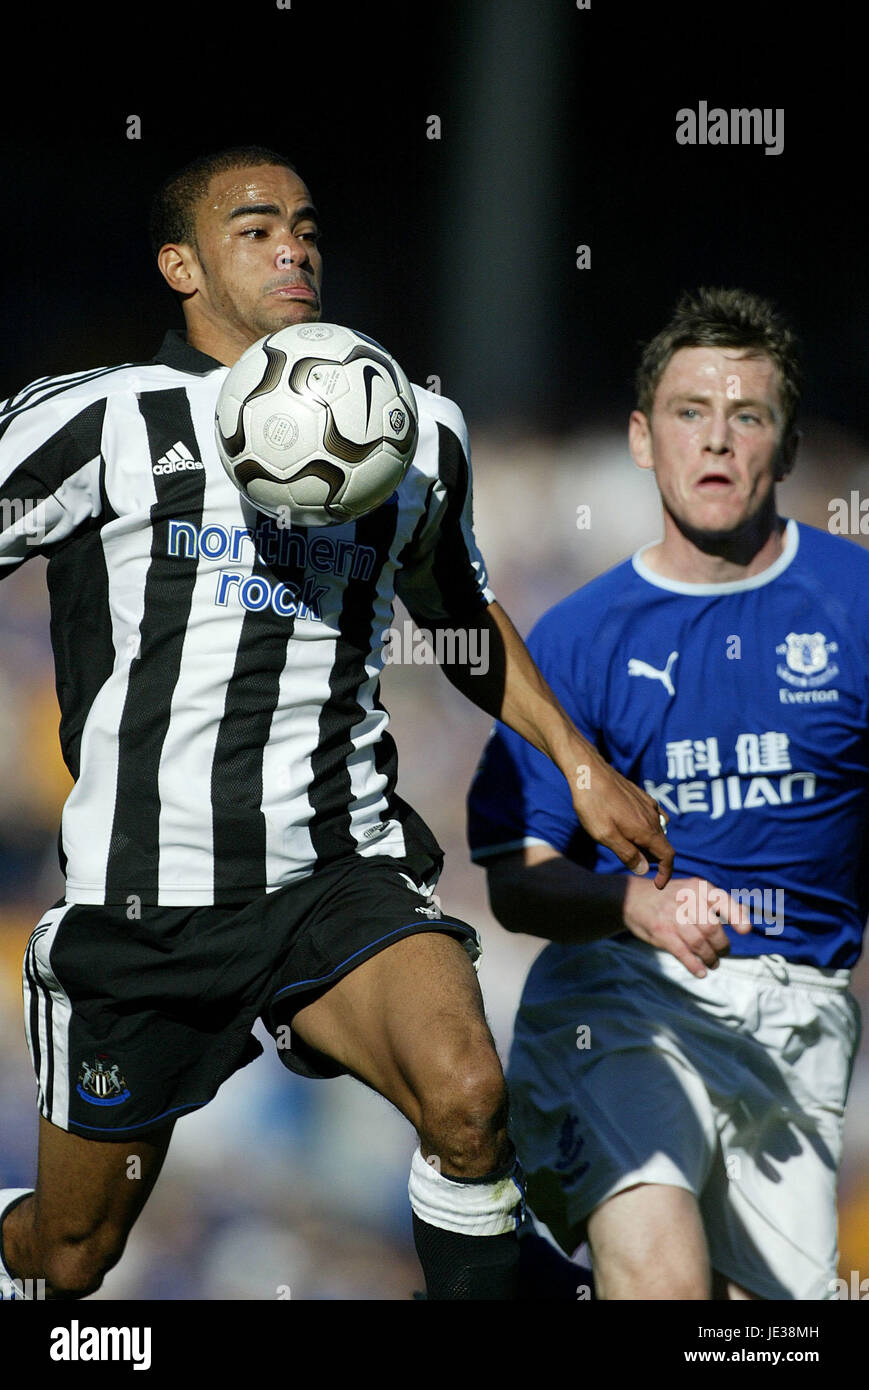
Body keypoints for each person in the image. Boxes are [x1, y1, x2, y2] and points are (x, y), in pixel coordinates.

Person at [0, 145, 671, 1302]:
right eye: (255, 228)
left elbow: (461, 619)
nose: (293, 247)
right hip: (145, 900)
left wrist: (578, 761)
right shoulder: (99, 420)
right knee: (73, 1253)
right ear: (180, 263)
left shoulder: (415, 431)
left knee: (465, 1094)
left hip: (335, 866)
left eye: (305, 226)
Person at [467, 286, 868, 1301]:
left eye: (747, 416)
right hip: (624, 1004)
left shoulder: (854, 606)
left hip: (800, 1026)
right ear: (643, 439)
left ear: (782, 444)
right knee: (661, 1279)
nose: (717, 442)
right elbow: (517, 883)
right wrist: (631, 905)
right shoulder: (575, 640)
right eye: (690, 412)